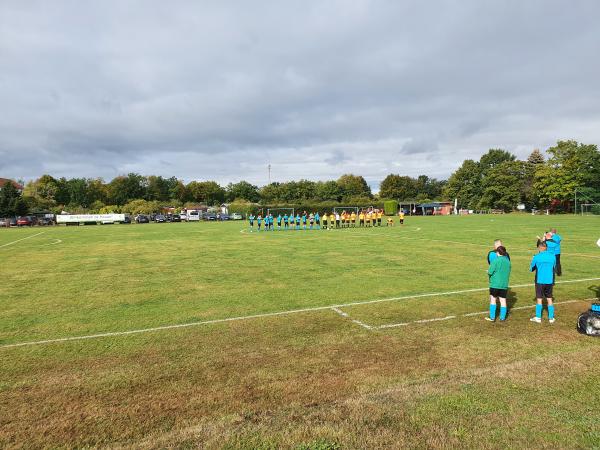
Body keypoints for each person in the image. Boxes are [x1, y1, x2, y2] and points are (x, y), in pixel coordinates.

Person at [530, 241, 557, 323]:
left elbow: (531, 268)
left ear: (539, 248)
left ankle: (538, 317)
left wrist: (533, 260)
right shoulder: (553, 256)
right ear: (546, 248)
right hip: (549, 280)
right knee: (549, 298)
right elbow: (554, 267)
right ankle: (551, 318)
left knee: (539, 298)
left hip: (540, 280)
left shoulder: (536, 257)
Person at [486, 246, 511, 322]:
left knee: (493, 300)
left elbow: (490, 272)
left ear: (497, 252)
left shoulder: (496, 261)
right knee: (503, 300)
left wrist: (488, 271)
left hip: (495, 284)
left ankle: (492, 317)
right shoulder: (508, 262)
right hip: (504, 284)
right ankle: (502, 318)